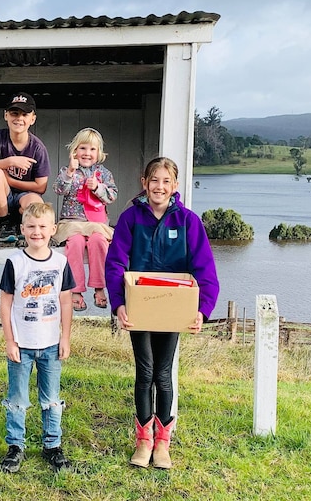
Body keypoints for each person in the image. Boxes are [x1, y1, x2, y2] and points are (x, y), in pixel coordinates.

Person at [104, 157, 220, 470]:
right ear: (145, 182)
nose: (159, 187)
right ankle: (143, 439)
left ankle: (162, 443)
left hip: (172, 309)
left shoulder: (187, 221)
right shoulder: (131, 219)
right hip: (140, 308)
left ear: (175, 186)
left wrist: (202, 310)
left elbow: (205, 268)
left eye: (166, 181)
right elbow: (115, 263)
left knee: (163, 374)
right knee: (144, 372)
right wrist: (119, 304)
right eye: (154, 180)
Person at [0, 202, 75, 473]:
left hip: (51, 344)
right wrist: (10, 340)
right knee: (17, 399)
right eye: (31, 226)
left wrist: (65, 337)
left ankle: (52, 446)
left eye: (43, 227)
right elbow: (5, 303)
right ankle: (15, 446)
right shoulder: (15, 262)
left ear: (53, 229)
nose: (37, 232)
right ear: (22, 229)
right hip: (22, 344)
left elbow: (65, 302)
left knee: (51, 399)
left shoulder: (61, 262)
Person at [53, 128, 118, 311]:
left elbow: (112, 196)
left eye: (92, 149)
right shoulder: (68, 170)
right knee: (75, 243)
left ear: (99, 153)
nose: (87, 153)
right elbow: (59, 190)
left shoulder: (103, 173)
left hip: (95, 223)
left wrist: (98, 187)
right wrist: (69, 173)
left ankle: (99, 287)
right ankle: (76, 290)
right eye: (82, 148)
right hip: (72, 223)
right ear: (74, 151)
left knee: (99, 241)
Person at [0, 92, 51, 243]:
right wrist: (9, 161)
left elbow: (41, 187)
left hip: (26, 195)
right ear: (6, 115)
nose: (19, 118)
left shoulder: (38, 147)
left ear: (32, 119)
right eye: (14, 113)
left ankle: (20, 223)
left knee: (36, 205)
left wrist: (10, 180)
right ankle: (5, 225)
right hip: (4, 195)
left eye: (25, 114)